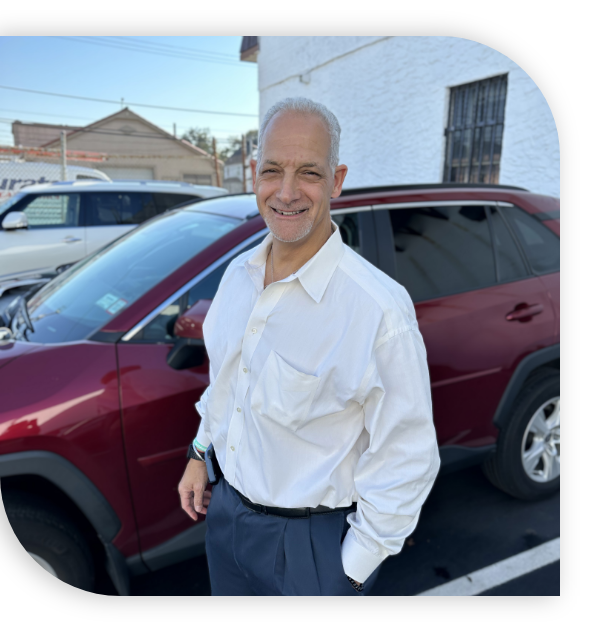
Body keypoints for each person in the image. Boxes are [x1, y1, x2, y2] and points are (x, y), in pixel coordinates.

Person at [178, 97, 440, 596]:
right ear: (254, 174)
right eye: (272, 170)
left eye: (309, 173)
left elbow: (407, 456)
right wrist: (199, 453)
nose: (286, 191)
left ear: (336, 181)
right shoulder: (236, 278)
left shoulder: (378, 311)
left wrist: (351, 570)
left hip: (310, 548)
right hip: (226, 517)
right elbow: (226, 387)